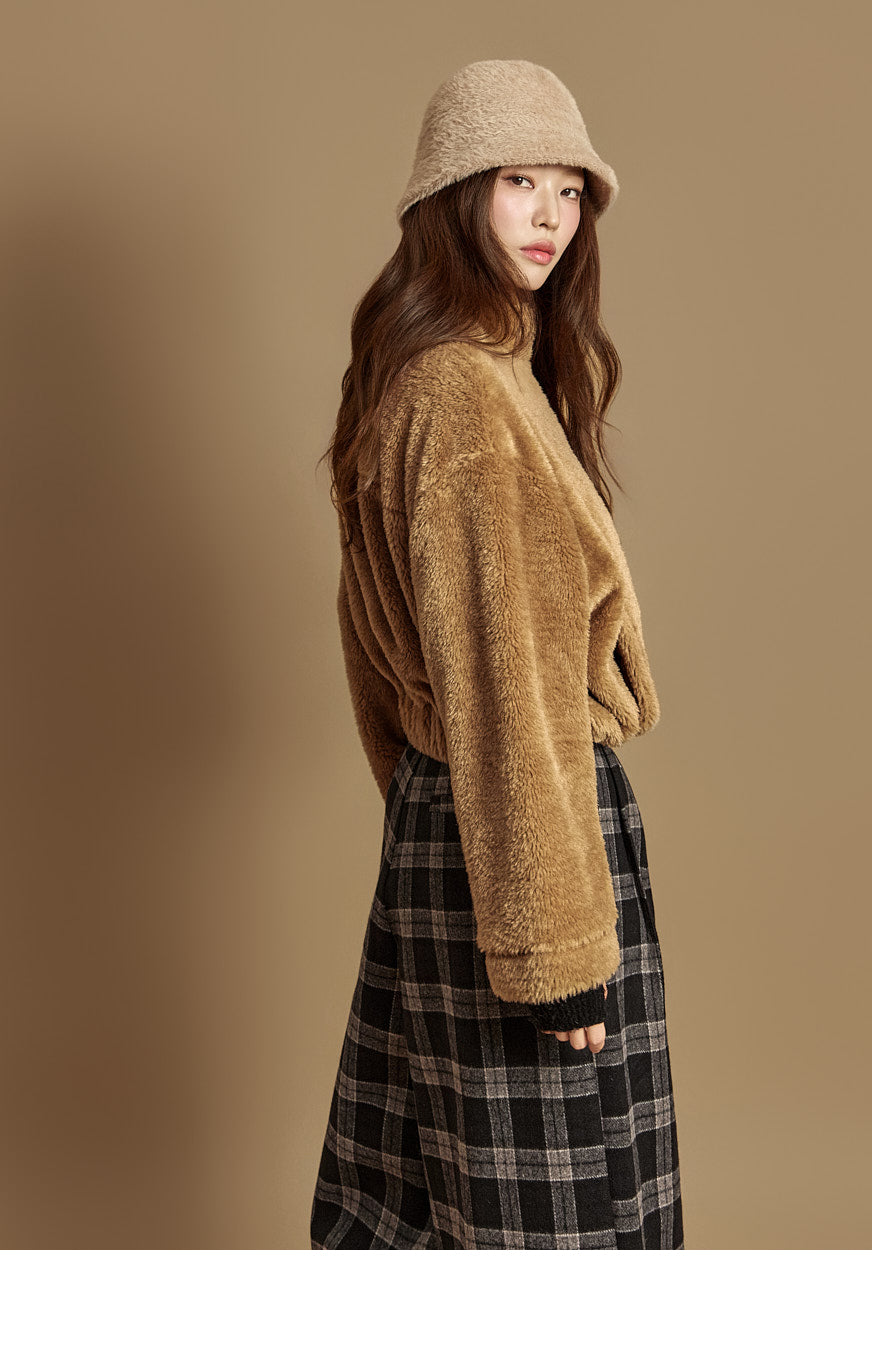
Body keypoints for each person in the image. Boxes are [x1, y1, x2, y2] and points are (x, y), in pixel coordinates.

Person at [309, 58, 683, 1249]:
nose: (549, 217)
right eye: (519, 181)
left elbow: (382, 659)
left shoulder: (436, 376)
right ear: (452, 191)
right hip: (523, 842)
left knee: (428, 1213)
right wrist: (551, 948)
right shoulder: (466, 397)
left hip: (465, 823)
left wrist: (428, 807)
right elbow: (506, 686)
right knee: (552, 1234)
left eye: (569, 191)